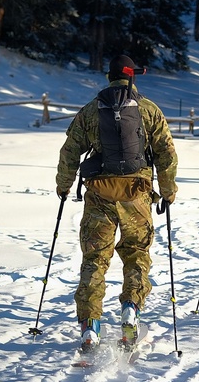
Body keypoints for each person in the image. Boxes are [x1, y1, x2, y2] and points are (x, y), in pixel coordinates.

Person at [55, 55, 178, 352]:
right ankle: (130, 309)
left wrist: (64, 185)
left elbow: (70, 151)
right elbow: (166, 153)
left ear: (109, 77)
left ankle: (90, 326)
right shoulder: (148, 109)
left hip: (100, 194)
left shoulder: (91, 110)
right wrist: (167, 191)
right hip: (137, 195)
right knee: (136, 254)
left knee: (95, 259)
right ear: (131, 77)